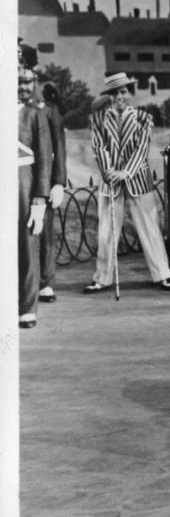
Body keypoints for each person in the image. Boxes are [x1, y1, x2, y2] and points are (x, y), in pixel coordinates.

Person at [83, 73, 170, 293]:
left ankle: (163, 275)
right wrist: (110, 172)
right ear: (109, 96)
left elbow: (142, 149)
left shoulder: (144, 118)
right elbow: (99, 148)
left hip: (137, 179)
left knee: (149, 228)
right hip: (110, 181)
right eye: (114, 93)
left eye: (123, 92)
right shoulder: (97, 119)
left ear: (130, 93)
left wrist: (125, 172)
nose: (119, 97)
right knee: (107, 230)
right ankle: (102, 278)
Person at [18, 66, 52, 329]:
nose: (21, 86)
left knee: (27, 243)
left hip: (24, 181)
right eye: (16, 81)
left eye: (26, 82)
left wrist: (40, 198)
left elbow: (43, 158)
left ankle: (27, 307)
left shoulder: (35, 114)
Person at [36, 80, 67, 303]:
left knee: (45, 231)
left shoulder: (48, 109)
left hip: (42, 177)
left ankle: (45, 282)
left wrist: (58, 182)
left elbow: (59, 146)